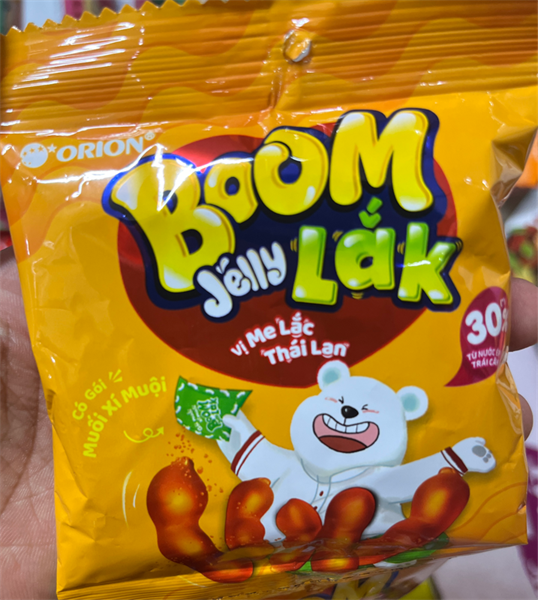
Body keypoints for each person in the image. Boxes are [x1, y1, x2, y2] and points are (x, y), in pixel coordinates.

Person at [0, 246, 536, 600]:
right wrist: (224, 420)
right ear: (326, 384)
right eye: (342, 404)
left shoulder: (376, 474)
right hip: (292, 527)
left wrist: (458, 458)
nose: (347, 418)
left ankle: (371, 533)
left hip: (360, 537)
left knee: (370, 502)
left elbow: (413, 474)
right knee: (270, 490)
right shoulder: (289, 461)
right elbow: (251, 448)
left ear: (406, 413)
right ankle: (229, 537)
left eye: (367, 414)